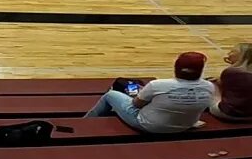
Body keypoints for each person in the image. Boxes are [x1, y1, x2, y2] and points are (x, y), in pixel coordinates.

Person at [85, 52, 214, 133]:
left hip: (148, 126)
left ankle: (84, 124)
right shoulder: (209, 86)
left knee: (111, 95)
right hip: (183, 126)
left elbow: (136, 105)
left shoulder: (158, 85)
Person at [210, 44, 252, 122]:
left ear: (241, 55)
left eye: (232, 51)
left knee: (211, 86)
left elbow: (224, 90)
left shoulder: (231, 72)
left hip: (230, 115)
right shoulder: (233, 73)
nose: (229, 54)